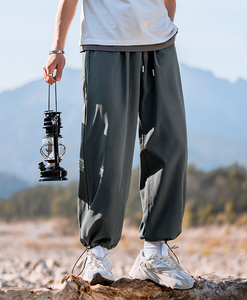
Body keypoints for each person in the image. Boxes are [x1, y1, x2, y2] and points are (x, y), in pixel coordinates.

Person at [43, 0, 195, 290]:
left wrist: (162, 27)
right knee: (105, 151)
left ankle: (155, 254)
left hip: (159, 42)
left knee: (170, 144)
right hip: (105, 41)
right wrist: (57, 48)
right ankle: (97, 253)